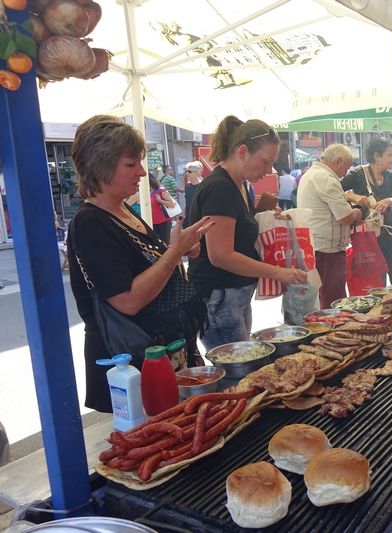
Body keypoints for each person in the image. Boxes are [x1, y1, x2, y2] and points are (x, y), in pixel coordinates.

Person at [67, 115, 214, 412]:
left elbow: (148, 267)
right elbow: (128, 300)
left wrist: (181, 253)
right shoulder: (91, 223)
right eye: (131, 165)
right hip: (132, 363)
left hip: (163, 353)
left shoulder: (122, 209)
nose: (143, 173)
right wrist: (174, 252)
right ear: (100, 166)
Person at [188, 116, 306, 350]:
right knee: (237, 372)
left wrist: (266, 215)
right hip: (219, 296)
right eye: (264, 161)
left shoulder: (240, 184)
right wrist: (277, 273)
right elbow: (220, 255)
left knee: (243, 365)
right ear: (242, 152)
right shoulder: (219, 188)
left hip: (233, 295)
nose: (269, 169)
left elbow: (238, 230)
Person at [297, 144, 364, 308]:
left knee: (323, 294)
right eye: (346, 167)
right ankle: (332, 330)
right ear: (338, 161)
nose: (346, 172)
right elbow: (345, 217)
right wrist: (356, 213)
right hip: (328, 249)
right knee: (332, 297)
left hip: (317, 246)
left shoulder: (312, 174)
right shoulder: (325, 178)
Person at [341, 137, 392, 284]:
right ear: (376, 156)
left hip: (390, 232)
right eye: (390, 155)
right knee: (373, 279)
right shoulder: (357, 174)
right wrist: (355, 196)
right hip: (368, 236)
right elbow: (335, 192)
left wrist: (390, 200)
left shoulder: (389, 176)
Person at [149, 172, 176, 244]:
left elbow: (172, 204)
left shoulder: (160, 191)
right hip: (153, 222)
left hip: (164, 221)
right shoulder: (147, 192)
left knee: (165, 242)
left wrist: (160, 201)